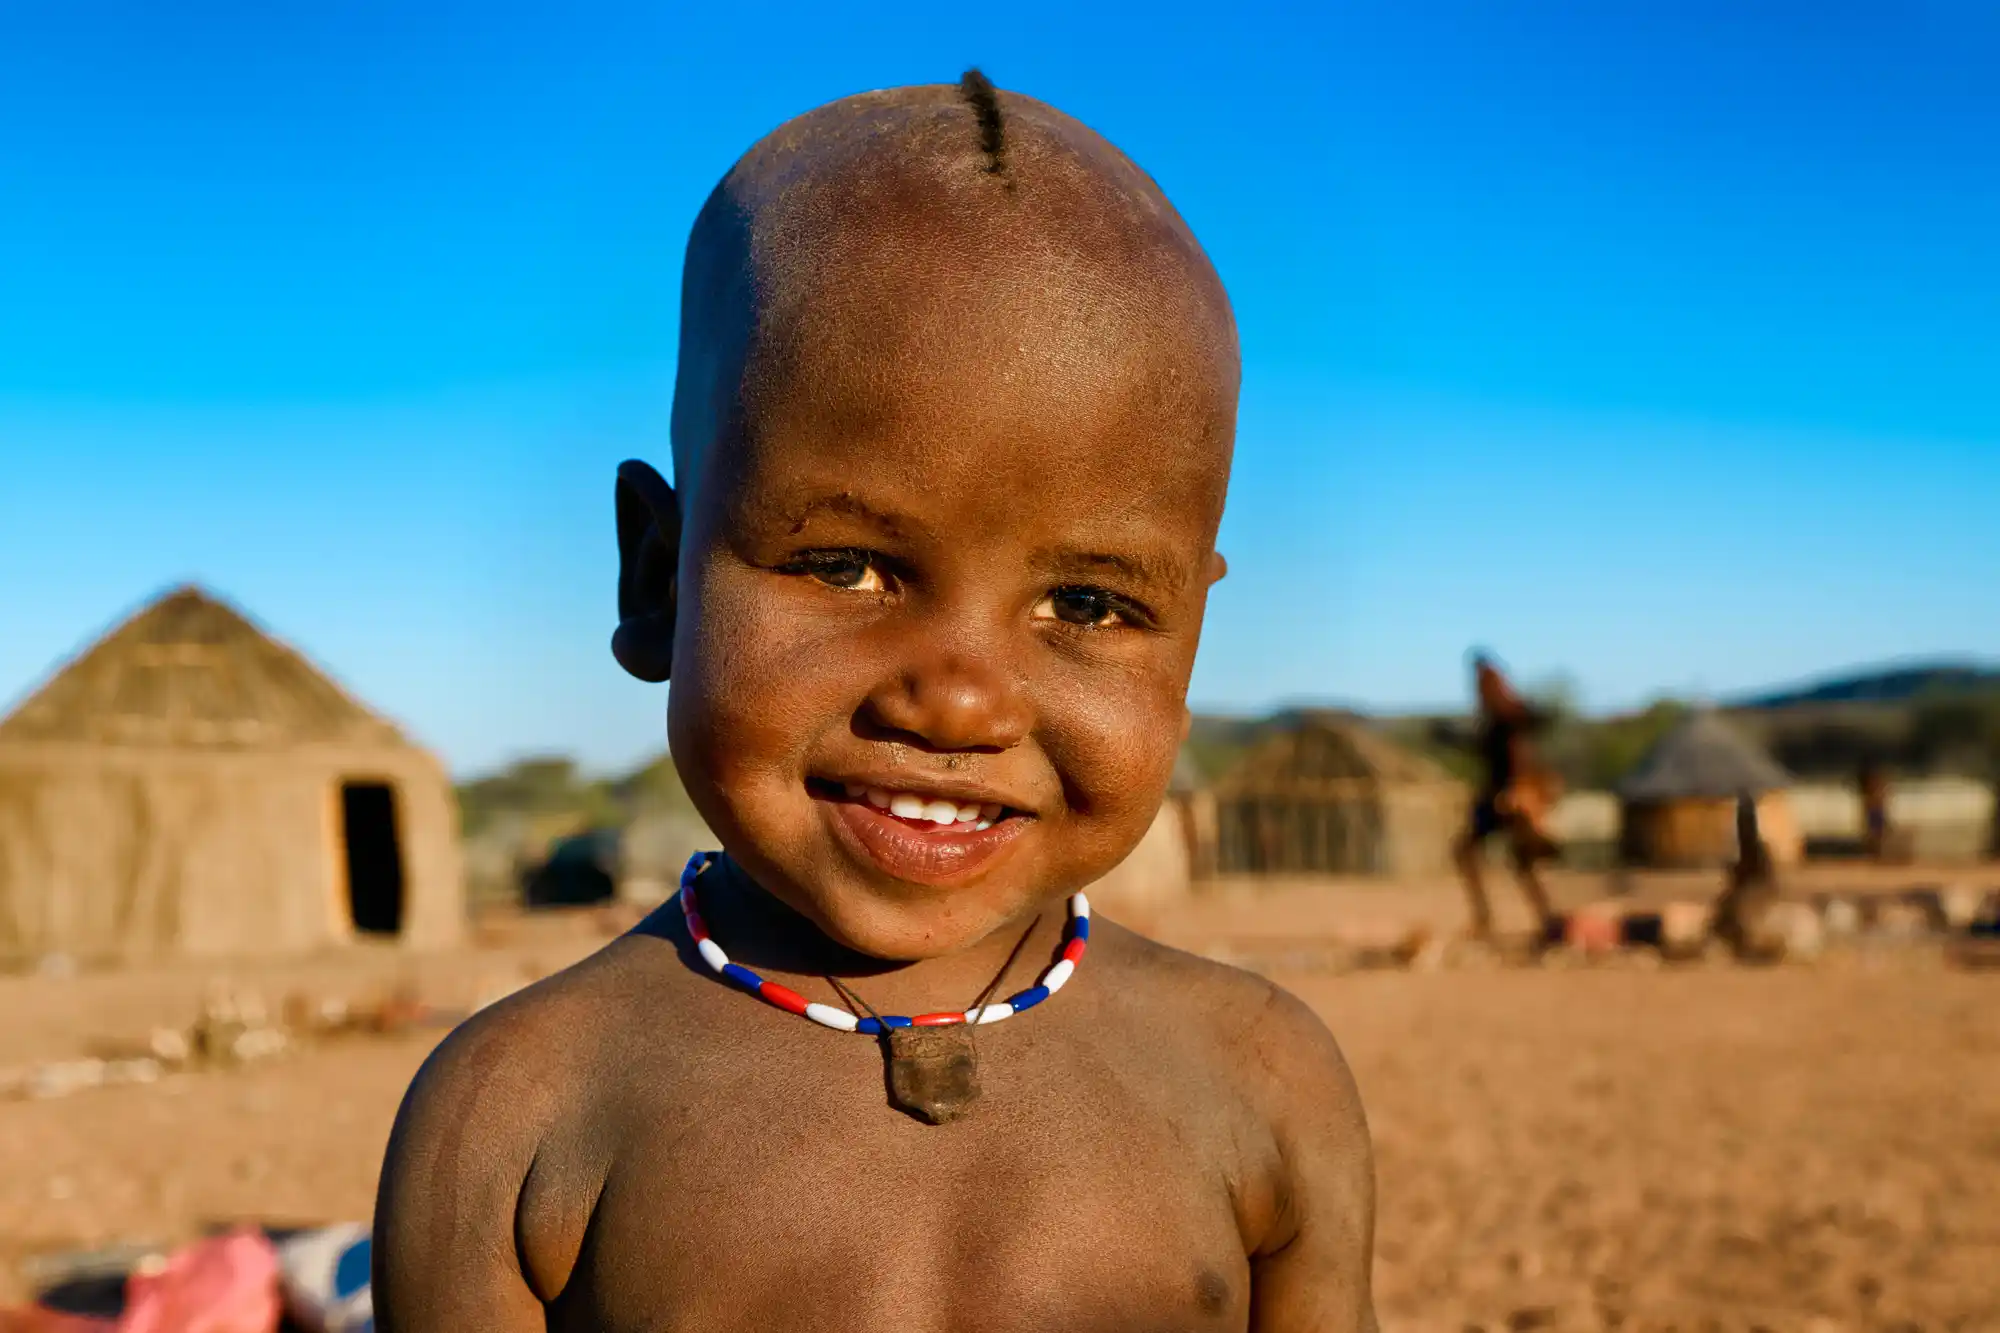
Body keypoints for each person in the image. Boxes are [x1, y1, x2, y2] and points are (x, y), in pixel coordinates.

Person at [372, 72, 1377, 1331]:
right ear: (653, 575)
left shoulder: (1260, 1079)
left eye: (1086, 604)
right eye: (843, 565)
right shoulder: (516, 1112)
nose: (957, 703)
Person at [1451, 653, 1561, 942]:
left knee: (1521, 861)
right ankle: (1490, 918)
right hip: (1495, 796)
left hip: (1512, 797)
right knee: (1468, 854)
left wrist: (1519, 793)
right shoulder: (1492, 719)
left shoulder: (1510, 714)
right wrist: (1452, 738)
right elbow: (1486, 750)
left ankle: (1548, 921)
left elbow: (1523, 745)